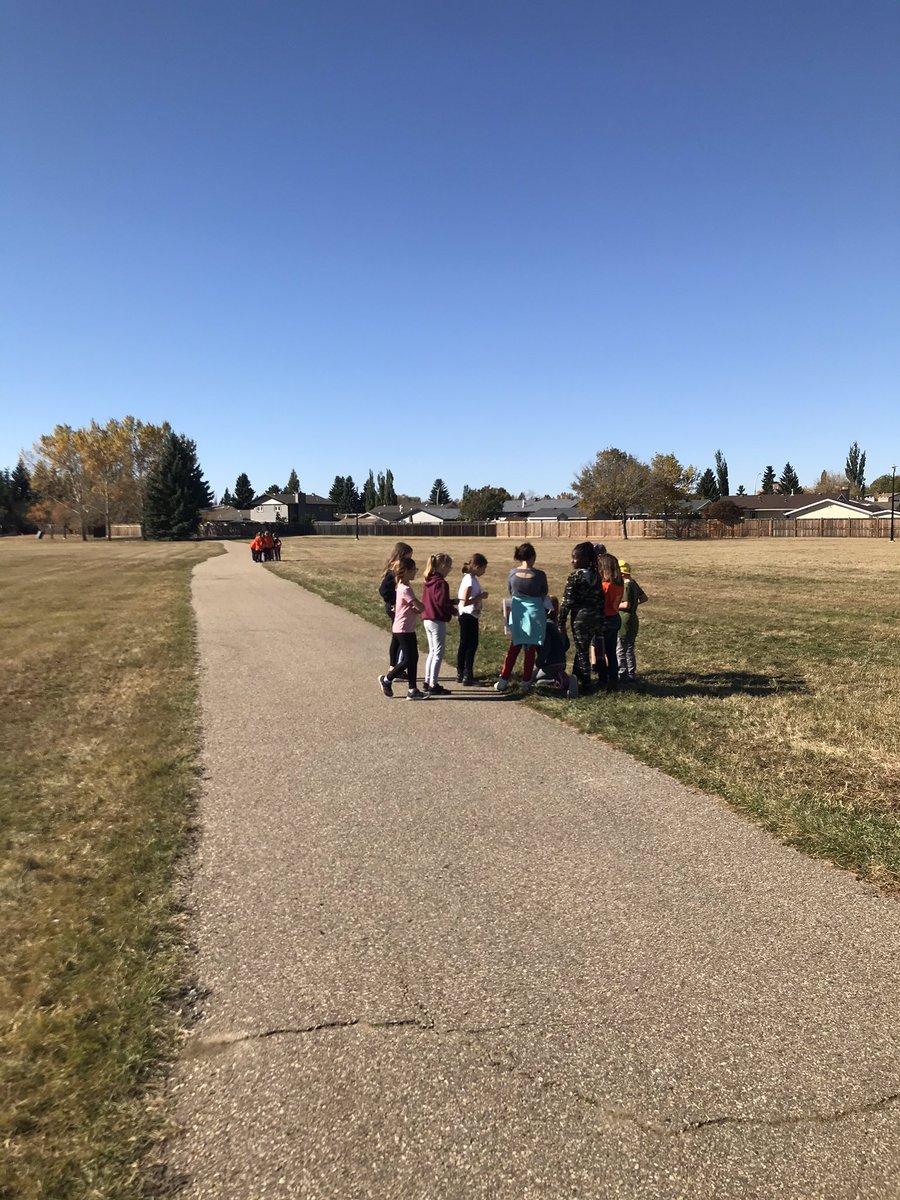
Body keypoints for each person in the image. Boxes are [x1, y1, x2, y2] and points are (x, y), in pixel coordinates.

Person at [495, 543, 548, 692]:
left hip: (518, 611)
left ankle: (503, 679)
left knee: (514, 646)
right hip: (534, 613)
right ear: (533, 556)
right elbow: (544, 592)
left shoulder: (512, 573)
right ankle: (526, 681)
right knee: (530, 648)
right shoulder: (539, 575)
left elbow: (511, 592)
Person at [378, 556, 427, 699]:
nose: (415, 572)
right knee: (408, 659)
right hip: (403, 628)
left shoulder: (402, 586)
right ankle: (387, 680)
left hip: (407, 628)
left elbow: (410, 607)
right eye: (413, 570)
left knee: (414, 657)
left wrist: (415, 608)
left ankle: (412, 690)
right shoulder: (405, 589)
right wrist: (420, 607)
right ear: (405, 572)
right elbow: (419, 606)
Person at [559, 542, 603, 694]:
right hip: (594, 617)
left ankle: (586, 684)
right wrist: (600, 620)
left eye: (575, 558)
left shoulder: (575, 577)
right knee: (582, 648)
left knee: (582, 651)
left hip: (580, 618)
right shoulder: (596, 576)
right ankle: (576, 677)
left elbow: (567, 602)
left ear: (585, 559)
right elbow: (600, 600)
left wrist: (561, 622)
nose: (572, 561)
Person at [378, 542, 413, 677]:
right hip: (393, 607)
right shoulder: (394, 570)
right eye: (409, 557)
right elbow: (383, 590)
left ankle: (395, 666)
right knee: (398, 637)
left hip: (397, 606)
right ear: (402, 555)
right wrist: (392, 603)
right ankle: (395, 667)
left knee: (397, 637)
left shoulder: (399, 569)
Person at [421, 552, 454, 694]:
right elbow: (441, 603)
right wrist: (453, 610)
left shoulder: (429, 580)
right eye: (449, 567)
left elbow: (436, 600)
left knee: (432, 651)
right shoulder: (441, 583)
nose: (449, 570)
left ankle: (428, 680)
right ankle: (433, 684)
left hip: (427, 618)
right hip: (436, 619)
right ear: (442, 566)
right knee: (438, 653)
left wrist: (452, 601)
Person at [456, 553, 488, 686]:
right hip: (468, 615)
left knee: (464, 643)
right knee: (470, 644)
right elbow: (465, 601)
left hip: (468, 615)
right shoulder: (469, 580)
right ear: (476, 566)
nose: (484, 571)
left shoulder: (470, 578)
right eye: (483, 568)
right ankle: (467, 674)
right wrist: (480, 597)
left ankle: (461, 672)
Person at [535, 596, 576, 696]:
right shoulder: (559, 626)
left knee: (534, 677)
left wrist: (538, 663)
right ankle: (559, 678)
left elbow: (546, 648)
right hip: (562, 662)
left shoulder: (546, 626)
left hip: (550, 663)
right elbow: (566, 646)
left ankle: (559, 679)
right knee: (539, 680)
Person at [596, 552, 625, 691]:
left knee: (600, 653)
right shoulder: (619, 584)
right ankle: (613, 679)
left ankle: (602, 680)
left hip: (604, 620)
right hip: (615, 617)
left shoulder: (605, 586)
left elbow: (600, 604)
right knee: (611, 652)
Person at [617, 560, 648, 683]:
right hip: (633, 619)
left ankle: (622, 673)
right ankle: (631, 673)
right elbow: (644, 598)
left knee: (620, 649)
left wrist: (612, 605)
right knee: (630, 649)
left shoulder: (626, 586)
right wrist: (636, 604)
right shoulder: (634, 583)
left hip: (624, 620)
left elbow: (626, 605)